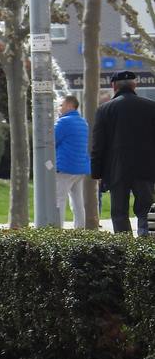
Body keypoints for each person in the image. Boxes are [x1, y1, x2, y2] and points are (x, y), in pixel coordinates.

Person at [91, 70, 155, 236]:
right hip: (146, 168)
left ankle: (125, 250)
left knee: (119, 212)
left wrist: (96, 172)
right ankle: (147, 247)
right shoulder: (151, 107)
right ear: (135, 85)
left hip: (116, 170)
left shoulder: (105, 110)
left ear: (113, 86)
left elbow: (98, 144)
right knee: (146, 210)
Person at [55, 94, 90, 228]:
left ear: (69, 105)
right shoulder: (83, 122)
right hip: (80, 168)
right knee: (77, 202)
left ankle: (56, 231)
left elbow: (50, 141)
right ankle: (80, 229)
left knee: (59, 201)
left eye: (61, 105)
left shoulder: (63, 122)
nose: (59, 108)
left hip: (65, 167)